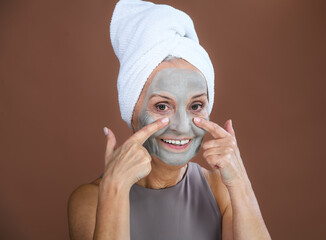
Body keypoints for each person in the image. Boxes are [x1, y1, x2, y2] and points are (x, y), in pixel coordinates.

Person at [67, 1, 271, 240]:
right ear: (132, 111)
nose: (182, 126)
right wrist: (116, 190)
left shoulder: (221, 189)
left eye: (196, 106)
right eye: (162, 106)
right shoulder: (90, 199)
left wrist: (240, 183)